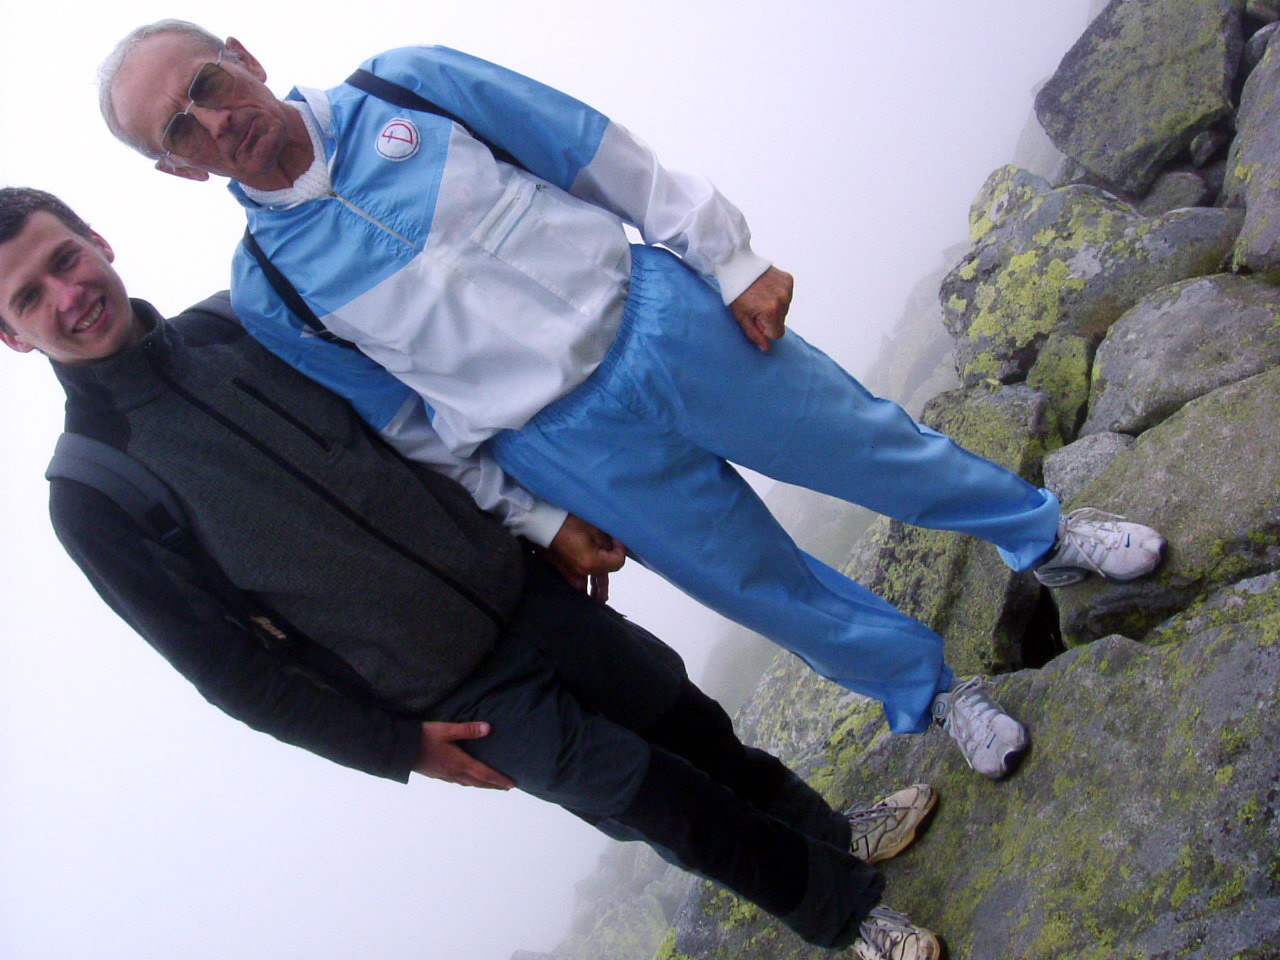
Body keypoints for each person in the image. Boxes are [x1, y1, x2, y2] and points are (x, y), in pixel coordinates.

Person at [98, 22, 1168, 783]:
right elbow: (405, 423)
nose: (213, 121)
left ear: (243, 55)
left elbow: (592, 150)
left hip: (660, 320)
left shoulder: (406, 86)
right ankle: (934, 696)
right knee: (758, 585)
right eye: (179, 131)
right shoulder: (269, 287)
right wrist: (535, 516)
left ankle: (1044, 537)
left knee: (869, 447)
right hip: (560, 443)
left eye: (206, 84)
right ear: (177, 172)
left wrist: (728, 256)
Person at [0, 186, 947, 960]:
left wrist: (537, 526)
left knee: (685, 719)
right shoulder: (92, 489)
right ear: (11, 337)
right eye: (28, 299)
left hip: (517, 584)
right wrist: (393, 746)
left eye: (63, 260)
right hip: (447, 692)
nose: (65, 296)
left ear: (98, 240)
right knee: (653, 799)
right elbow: (228, 671)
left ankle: (832, 832)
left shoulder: (242, 324)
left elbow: (420, 415)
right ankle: (846, 913)